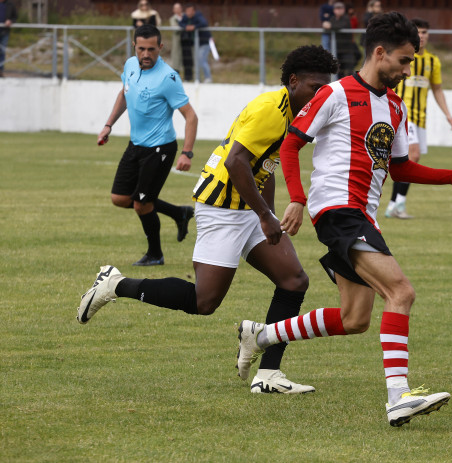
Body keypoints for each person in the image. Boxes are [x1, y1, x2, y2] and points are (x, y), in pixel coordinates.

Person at [236, 12, 452, 427]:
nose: (408, 69)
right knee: (401, 292)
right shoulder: (335, 94)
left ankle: (262, 334)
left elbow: (399, 169)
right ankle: (398, 396)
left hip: (363, 217)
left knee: (354, 318)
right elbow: (290, 146)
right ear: (380, 53)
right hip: (339, 210)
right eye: (404, 60)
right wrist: (298, 200)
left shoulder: (395, 106)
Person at [78, 45, 339, 395]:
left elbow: (266, 163)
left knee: (294, 282)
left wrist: (268, 213)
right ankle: (115, 284)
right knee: (205, 302)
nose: (320, 95)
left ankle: (269, 374)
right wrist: (265, 215)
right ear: (293, 81)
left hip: (247, 207)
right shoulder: (270, 111)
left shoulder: (295, 111)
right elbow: (236, 162)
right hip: (222, 209)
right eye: (314, 87)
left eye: (326, 88)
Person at [96, 25, 197, 266]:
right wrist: (108, 125)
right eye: (141, 48)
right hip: (136, 145)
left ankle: (155, 255)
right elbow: (124, 93)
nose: (146, 54)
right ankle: (178, 212)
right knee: (119, 198)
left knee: (142, 204)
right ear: (134, 46)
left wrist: (186, 153)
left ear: (160, 48)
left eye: (151, 49)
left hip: (160, 149)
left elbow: (191, 116)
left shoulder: (168, 78)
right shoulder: (130, 65)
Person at [385, 19, 452, 219]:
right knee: (413, 155)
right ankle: (398, 204)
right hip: (402, 115)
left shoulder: (433, 61)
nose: (422, 36)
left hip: (420, 117)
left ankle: (393, 204)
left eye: (425, 32)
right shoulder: (401, 57)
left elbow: (437, 89)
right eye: (418, 32)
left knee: (406, 159)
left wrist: (447, 114)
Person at [180, 3, 212, 83]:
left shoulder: (198, 16)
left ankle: (208, 78)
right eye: (187, 11)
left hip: (204, 42)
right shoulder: (185, 17)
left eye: (190, 11)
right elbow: (181, 23)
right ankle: (198, 78)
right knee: (197, 60)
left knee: (202, 59)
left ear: (194, 11)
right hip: (196, 43)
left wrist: (194, 27)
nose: (188, 13)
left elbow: (204, 23)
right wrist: (186, 27)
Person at [323, 2, 356, 78]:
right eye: (337, 8)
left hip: (347, 50)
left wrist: (329, 25)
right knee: (338, 70)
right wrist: (327, 26)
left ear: (344, 9)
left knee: (348, 70)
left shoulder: (346, 18)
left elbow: (340, 26)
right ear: (334, 10)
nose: (339, 10)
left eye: (340, 8)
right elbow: (327, 31)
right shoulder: (333, 18)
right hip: (336, 49)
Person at [0, 0, 18, 78]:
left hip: (4, 32)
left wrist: (10, 21)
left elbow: (15, 17)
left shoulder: (10, 4)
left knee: (2, 51)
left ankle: (1, 70)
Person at [169, 3, 184, 74]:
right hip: (177, 39)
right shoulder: (173, 19)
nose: (177, 10)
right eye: (176, 8)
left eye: (179, 8)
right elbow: (175, 28)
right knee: (176, 57)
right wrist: (185, 26)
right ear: (173, 10)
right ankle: (176, 74)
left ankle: (189, 76)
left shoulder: (185, 16)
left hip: (187, 40)